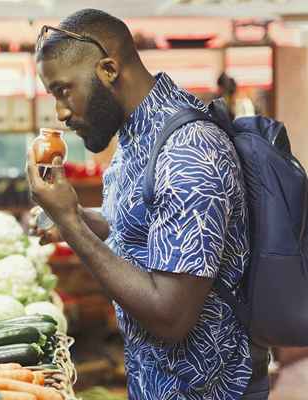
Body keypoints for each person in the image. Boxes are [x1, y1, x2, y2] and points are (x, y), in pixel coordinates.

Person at [28, 9, 269, 400]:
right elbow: (138, 227)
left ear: (108, 69)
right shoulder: (139, 133)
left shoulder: (188, 152)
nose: (61, 113)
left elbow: (170, 316)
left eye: (63, 90)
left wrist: (69, 220)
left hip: (205, 390)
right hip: (157, 380)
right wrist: (79, 219)